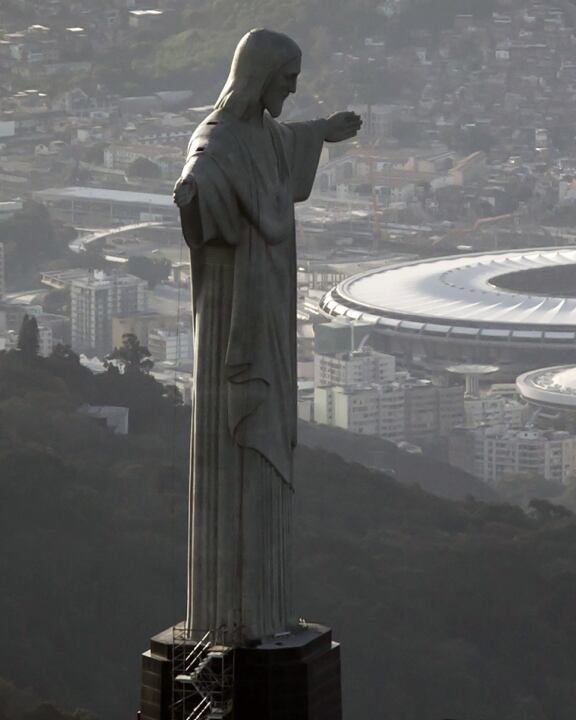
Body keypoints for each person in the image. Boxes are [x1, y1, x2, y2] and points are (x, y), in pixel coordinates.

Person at [173, 28, 360, 643]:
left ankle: (266, 610)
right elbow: (203, 172)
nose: (293, 88)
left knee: (269, 452)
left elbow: (284, 142)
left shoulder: (265, 136)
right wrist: (193, 193)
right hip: (233, 311)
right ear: (259, 77)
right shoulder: (219, 142)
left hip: (270, 306)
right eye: (286, 79)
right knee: (235, 451)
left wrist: (321, 131)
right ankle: (231, 618)